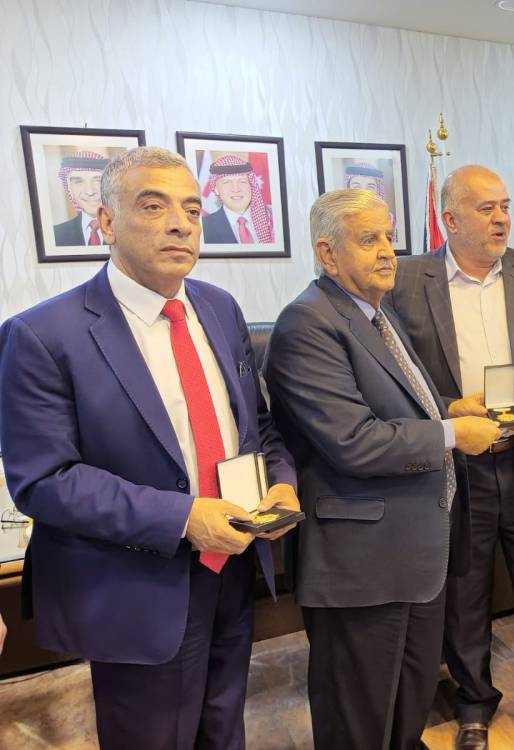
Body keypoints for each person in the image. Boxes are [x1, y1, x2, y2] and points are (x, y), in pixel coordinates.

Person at [0, 146, 299, 749]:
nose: (180, 224)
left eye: (191, 209)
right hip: (136, 586)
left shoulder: (219, 308)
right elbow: (45, 480)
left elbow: (256, 425)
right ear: (106, 222)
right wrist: (184, 518)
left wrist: (282, 482)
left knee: (224, 731)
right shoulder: (41, 335)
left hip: (234, 567)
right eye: (154, 206)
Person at [264, 188, 501, 750]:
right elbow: (352, 440)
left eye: (390, 237)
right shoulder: (307, 323)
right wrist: (452, 435)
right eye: (369, 239)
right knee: (359, 721)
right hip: (361, 565)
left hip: (415, 551)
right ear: (327, 253)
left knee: (406, 708)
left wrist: (448, 410)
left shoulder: (374, 312)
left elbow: (392, 404)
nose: (388, 251)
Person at [386, 165, 514, 750]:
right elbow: (393, 370)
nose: (501, 219)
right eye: (486, 208)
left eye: (505, 206)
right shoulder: (406, 279)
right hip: (458, 468)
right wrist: (450, 409)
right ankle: (474, 706)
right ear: (449, 219)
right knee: (464, 601)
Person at [201, 155, 274, 244]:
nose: (236, 189)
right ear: (216, 189)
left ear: (251, 185)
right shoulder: (204, 227)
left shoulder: (272, 218)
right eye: (227, 182)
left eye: (242, 181)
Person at [53, 150, 109, 246]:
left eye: (98, 180)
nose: (90, 192)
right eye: (78, 182)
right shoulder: (56, 235)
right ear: (69, 188)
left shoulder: (127, 231)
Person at [344, 161, 399, 242]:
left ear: (378, 190)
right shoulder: (341, 220)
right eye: (356, 186)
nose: (364, 191)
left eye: (370, 187)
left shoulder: (390, 220)